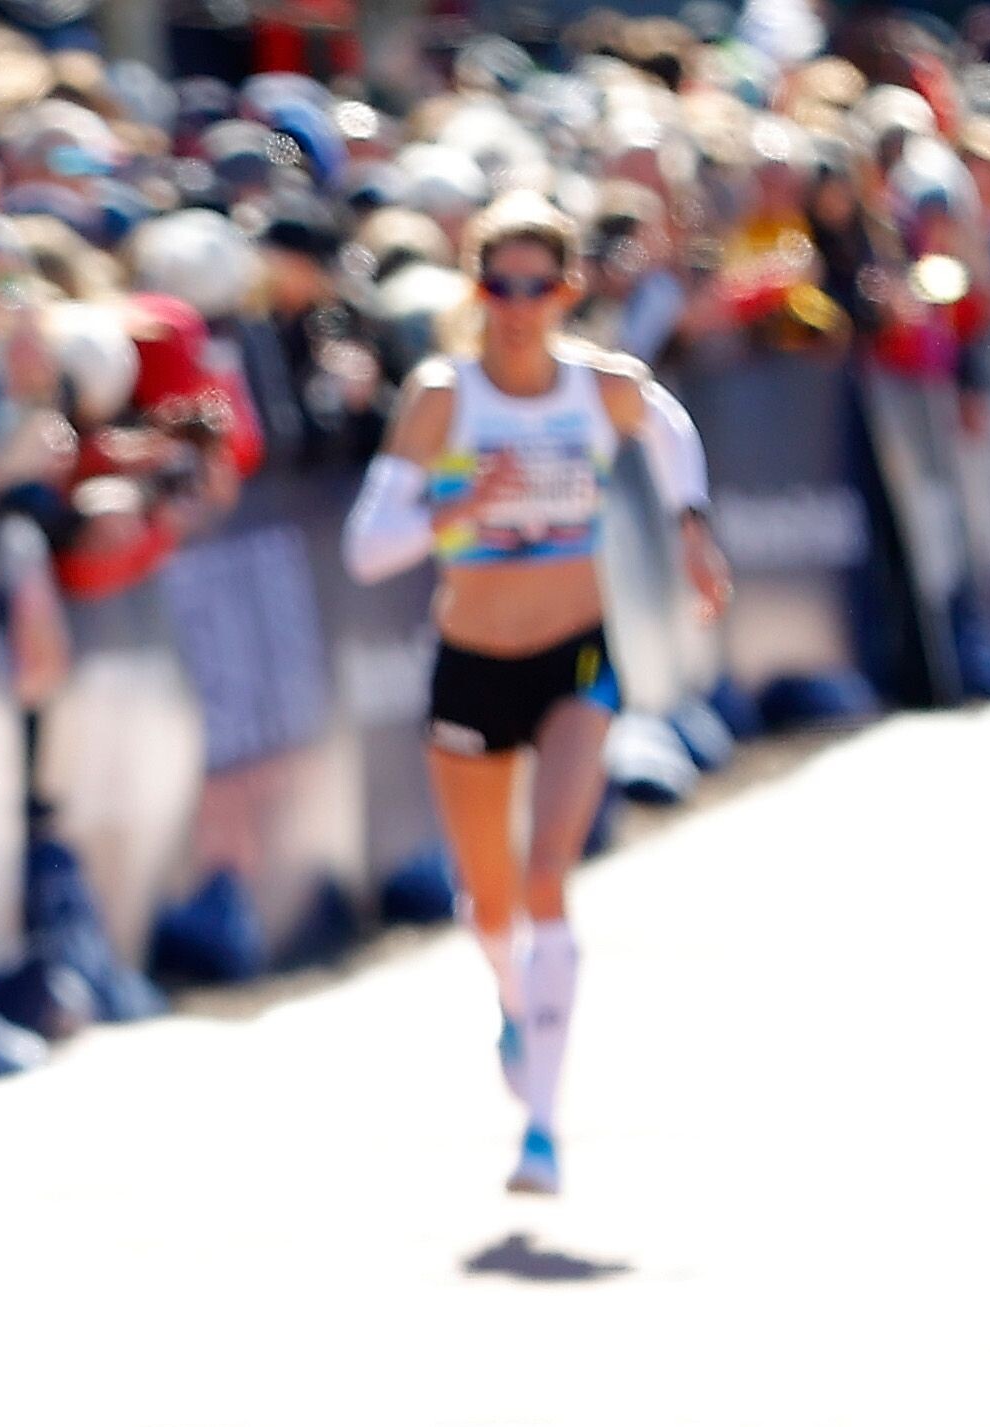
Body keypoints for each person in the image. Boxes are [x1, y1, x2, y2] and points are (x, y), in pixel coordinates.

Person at [342, 192, 730, 1197]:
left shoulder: (599, 387)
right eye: (499, 286)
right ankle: (515, 1004)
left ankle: (543, 1131)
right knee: (490, 902)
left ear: (567, 291)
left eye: (537, 286)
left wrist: (691, 526)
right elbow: (367, 549)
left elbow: (668, 426)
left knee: (549, 875)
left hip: (574, 660)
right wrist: (456, 506)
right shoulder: (443, 397)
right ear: (477, 291)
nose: (517, 306)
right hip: (472, 665)